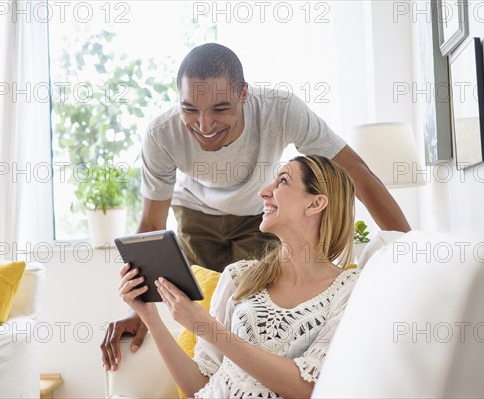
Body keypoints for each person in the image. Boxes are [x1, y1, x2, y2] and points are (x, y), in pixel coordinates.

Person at [101, 42, 409, 370]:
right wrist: (138, 312)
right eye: (190, 109)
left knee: (256, 315)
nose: (204, 126)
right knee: (205, 317)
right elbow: (151, 225)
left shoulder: (281, 110)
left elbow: (357, 174)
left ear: (244, 94)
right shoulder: (162, 134)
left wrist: (408, 249)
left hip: (257, 214)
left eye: (220, 109)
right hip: (195, 213)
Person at [118, 155, 361, 398]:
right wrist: (150, 316)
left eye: (283, 181)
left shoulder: (349, 291)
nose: (264, 192)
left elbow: (308, 387)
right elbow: (198, 387)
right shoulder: (240, 276)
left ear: (315, 204)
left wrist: (207, 328)